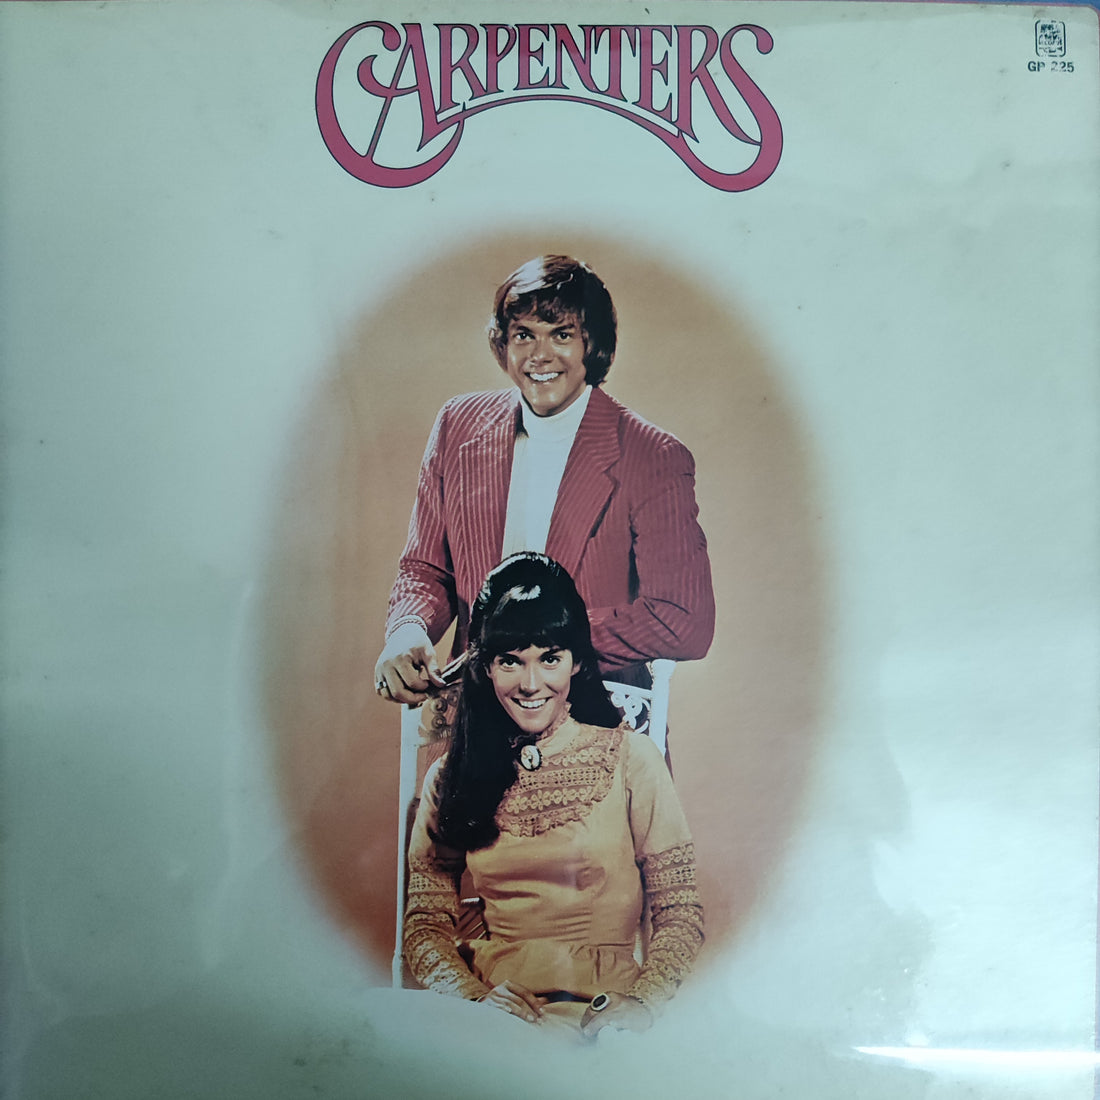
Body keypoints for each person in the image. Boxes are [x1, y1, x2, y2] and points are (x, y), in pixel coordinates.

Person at [373, 254, 714, 706]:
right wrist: (408, 629)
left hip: (593, 718)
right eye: (524, 335)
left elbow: (683, 618)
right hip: (475, 716)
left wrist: (540, 641)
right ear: (504, 343)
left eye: (562, 334)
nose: (540, 355)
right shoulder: (458, 424)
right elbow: (426, 569)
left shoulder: (652, 455)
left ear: (592, 343)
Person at [403, 553, 704, 1038]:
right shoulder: (450, 775)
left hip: (598, 1020)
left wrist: (643, 1004)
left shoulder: (631, 759)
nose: (530, 684)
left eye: (550, 658)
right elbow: (424, 924)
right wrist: (471, 999)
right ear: (486, 666)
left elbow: (680, 910)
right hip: (490, 1016)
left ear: (576, 661)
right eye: (510, 661)